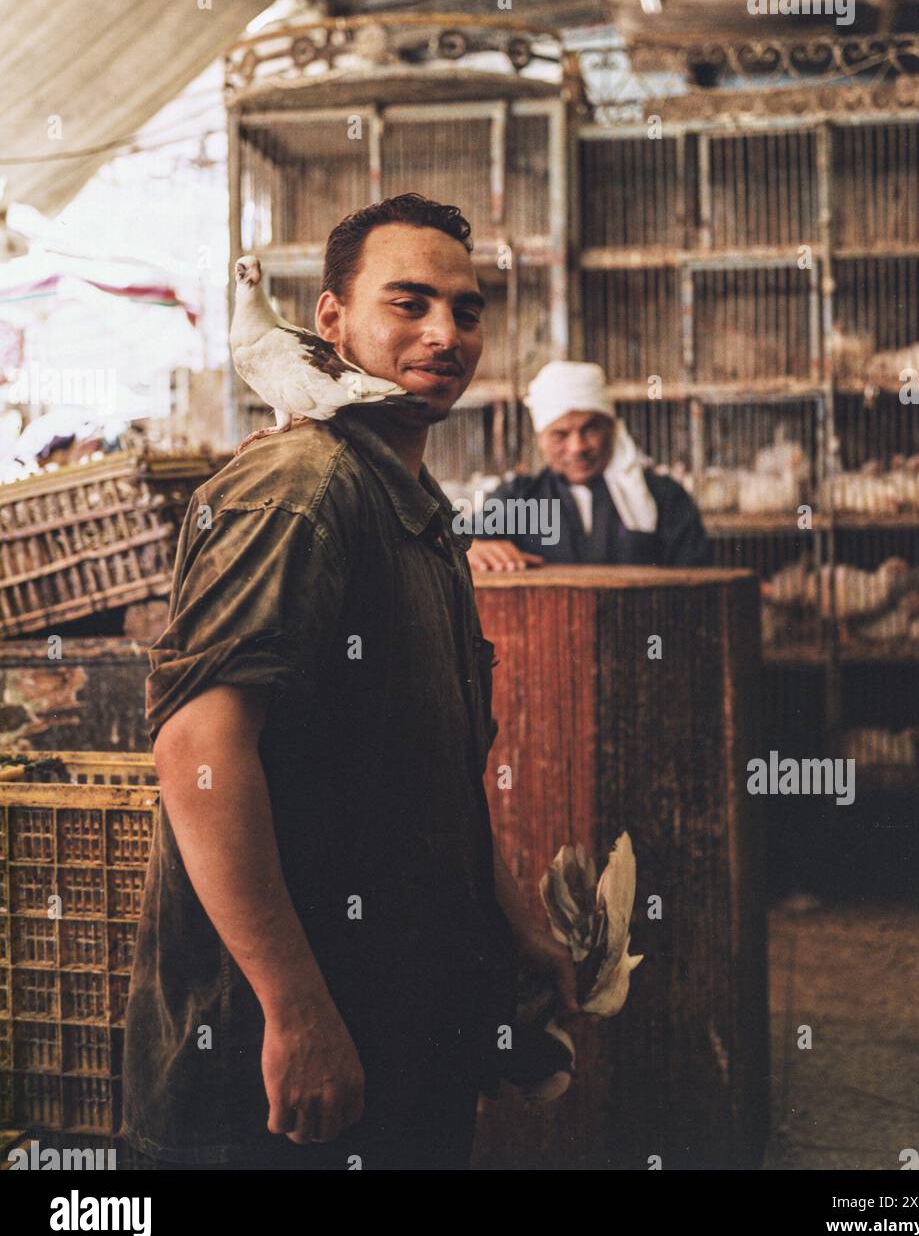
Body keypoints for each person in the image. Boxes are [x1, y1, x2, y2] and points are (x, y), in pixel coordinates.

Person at [121, 194, 578, 1171]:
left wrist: (513, 922)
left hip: (401, 1038)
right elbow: (198, 750)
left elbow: (430, 781)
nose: (445, 334)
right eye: (408, 303)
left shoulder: (409, 506)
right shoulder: (302, 487)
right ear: (329, 322)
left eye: (466, 308)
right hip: (276, 1078)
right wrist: (297, 1010)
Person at [468, 360, 711, 571]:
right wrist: (474, 549)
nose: (577, 447)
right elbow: (460, 548)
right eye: (560, 434)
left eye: (590, 429)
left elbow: (698, 577)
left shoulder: (664, 496)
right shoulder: (517, 498)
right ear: (541, 439)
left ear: (612, 429)